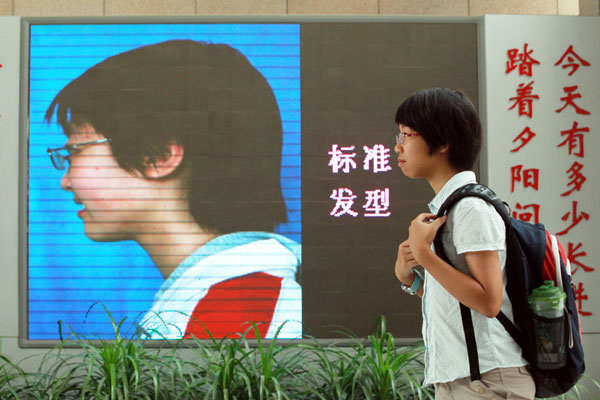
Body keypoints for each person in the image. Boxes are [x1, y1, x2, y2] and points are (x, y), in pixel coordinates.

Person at [44, 40, 301, 340]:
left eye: (75, 150)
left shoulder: (237, 315)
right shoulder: (218, 298)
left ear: (159, 156)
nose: (65, 181)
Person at [393, 88, 535, 399]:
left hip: (488, 382)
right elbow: (460, 304)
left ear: (442, 142)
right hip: (467, 381)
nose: (397, 146)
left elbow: (488, 301)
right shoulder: (451, 208)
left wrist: (423, 255)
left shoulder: (471, 208)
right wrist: (411, 280)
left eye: (407, 134)